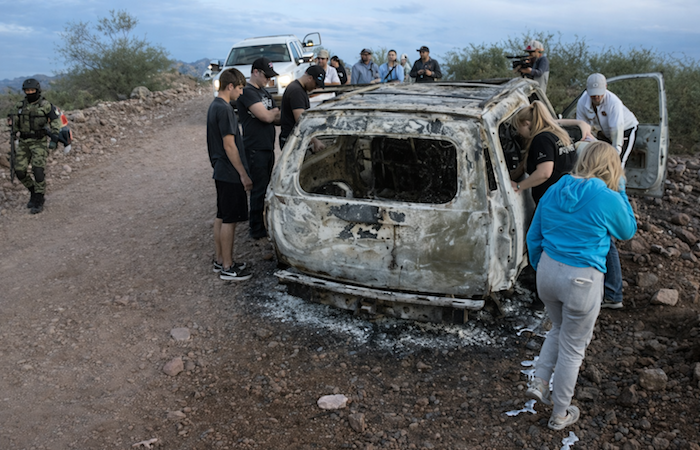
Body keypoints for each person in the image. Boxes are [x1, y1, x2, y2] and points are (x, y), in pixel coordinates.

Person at [525, 141, 637, 430]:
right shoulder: (606, 197)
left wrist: (541, 267)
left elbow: (534, 235)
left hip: (548, 272)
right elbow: (627, 231)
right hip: (582, 279)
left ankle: (539, 381)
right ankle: (560, 413)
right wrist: (621, 190)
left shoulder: (555, 188)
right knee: (573, 348)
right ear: (612, 167)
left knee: (557, 328)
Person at [576, 73, 639, 309]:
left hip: (623, 132)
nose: (596, 98)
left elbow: (618, 138)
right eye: (593, 95)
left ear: (604, 91)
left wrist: (612, 161)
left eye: (599, 95)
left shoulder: (613, 102)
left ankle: (614, 194)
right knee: (595, 161)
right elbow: (584, 132)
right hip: (602, 134)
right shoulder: (584, 102)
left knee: (614, 167)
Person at [207, 68, 253, 281]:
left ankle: (220, 260)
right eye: (240, 88)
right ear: (230, 86)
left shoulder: (214, 106)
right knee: (230, 220)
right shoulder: (225, 109)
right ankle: (228, 266)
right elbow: (229, 145)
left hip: (220, 170)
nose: (241, 93)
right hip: (229, 172)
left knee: (221, 215)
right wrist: (243, 174)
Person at [237, 57, 281, 240]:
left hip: (267, 146)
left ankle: (264, 222)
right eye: (266, 76)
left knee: (266, 186)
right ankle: (256, 228)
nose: (268, 80)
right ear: (255, 72)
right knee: (258, 188)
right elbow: (266, 117)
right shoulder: (247, 92)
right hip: (255, 147)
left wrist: (273, 114)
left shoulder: (264, 92)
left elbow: (275, 116)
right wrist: (272, 113)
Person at [7, 79, 62, 214]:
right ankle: (33, 191)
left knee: (38, 170)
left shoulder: (46, 105)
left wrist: (54, 137)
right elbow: (14, 121)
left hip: (39, 142)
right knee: (19, 171)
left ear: (37, 91)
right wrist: (11, 125)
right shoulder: (20, 106)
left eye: (32, 90)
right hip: (24, 142)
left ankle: (39, 198)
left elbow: (55, 121)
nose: (30, 93)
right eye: (27, 91)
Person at [509, 101, 578, 204]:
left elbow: (544, 173)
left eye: (518, 127)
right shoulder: (560, 134)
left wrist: (519, 186)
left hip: (552, 200)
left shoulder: (542, 139)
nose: (518, 132)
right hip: (568, 195)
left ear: (526, 124)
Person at [576, 73, 639, 167]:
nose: (596, 96)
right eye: (593, 93)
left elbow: (616, 131)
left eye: (599, 92)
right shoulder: (582, 102)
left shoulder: (614, 102)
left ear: (605, 87)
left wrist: (616, 153)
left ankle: (618, 176)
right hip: (606, 132)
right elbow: (583, 127)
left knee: (617, 161)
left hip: (625, 129)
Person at [279, 65, 326, 151]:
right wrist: (314, 140)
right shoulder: (297, 91)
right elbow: (301, 121)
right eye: (316, 84)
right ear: (310, 78)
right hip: (292, 141)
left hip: (293, 139)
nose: (316, 87)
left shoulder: (298, 89)